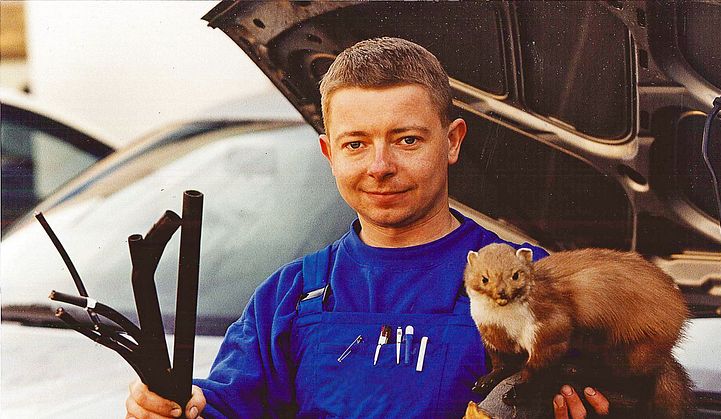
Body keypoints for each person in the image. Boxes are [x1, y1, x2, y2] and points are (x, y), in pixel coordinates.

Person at [126, 37, 610, 419]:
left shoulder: (528, 279)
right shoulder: (290, 295)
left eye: (406, 139)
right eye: (356, 144)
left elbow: (611, 389)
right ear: (329, 153)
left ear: (452, 141)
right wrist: (168, 407)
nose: (380, 166)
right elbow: (220, 406)